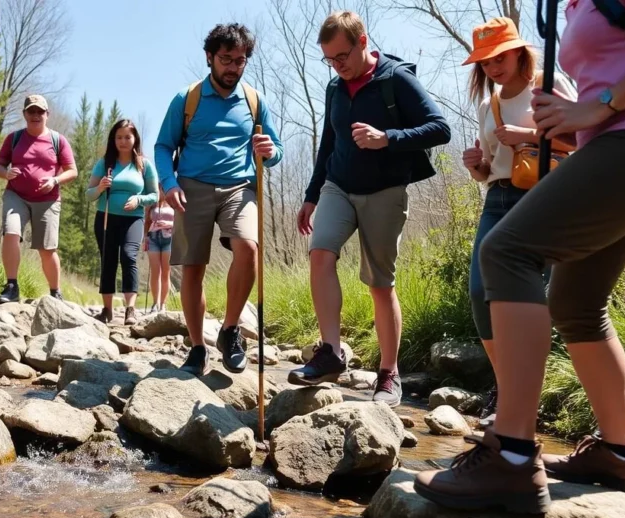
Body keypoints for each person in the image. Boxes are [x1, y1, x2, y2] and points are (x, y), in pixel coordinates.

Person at [414, 0, 625, 515]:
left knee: (508, 251)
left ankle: (510, 453)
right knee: (577, 302)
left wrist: (602, 103)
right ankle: (620, 453)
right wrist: (576, 126)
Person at [288, 10, 451, 406]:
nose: (337, 66)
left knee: (380, 284)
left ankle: (388, 374)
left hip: (384, 191)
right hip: (338, 187)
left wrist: (387, 138)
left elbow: (440, 128)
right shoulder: (334, 89)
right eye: (330, 59)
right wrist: (311, 195)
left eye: (342, 56)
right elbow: (328, 145)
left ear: (363, 42)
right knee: (320, 252)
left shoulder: (396, 79)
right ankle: (330, 353)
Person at [460, 18, 577, 428]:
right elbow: (492, 166)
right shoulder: (487, 105)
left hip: (544, 196)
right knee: (479, 291)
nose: (493, 66)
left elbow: (583, 139)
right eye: (485, 61)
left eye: (499, 56)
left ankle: (526, 394)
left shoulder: (549, 85)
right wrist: (477, 166)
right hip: (498, 197)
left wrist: (527, 135)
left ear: (519, 51)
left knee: (532, 299)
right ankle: (508, 384)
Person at [154, 23, 284, 377]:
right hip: (190, 188)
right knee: (193, 267)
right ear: (210, 57)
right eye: (226, 60)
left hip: (238, 188)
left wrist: (271, 151)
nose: (233, 68)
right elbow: (163, 146)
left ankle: (229, 331)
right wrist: (168, 183)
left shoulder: (255, 101)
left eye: (240, 61)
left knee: (249, 248)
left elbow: (275, 151)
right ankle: (197, 347)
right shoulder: (188, 99)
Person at [0, 94, 77, 304]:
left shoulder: (58, 140)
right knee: (11, 233)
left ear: (47, 115)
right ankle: (11, 286)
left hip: (48, 199)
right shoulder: (14, 138)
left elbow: (72, 171)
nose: (36, 115)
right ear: (24, 114)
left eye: (40, 111)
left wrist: (55, 180)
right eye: (31, 111)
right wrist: (5, 173)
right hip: (16, 196)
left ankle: (55, 292)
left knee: (47, 249)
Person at [85, 119, 159, 325]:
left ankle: (130, 310)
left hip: (133, 220)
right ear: (113, 139)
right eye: (119, 137)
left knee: (128, 257)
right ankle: (107, 310)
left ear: (135, 139)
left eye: (127, 137)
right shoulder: (105, 163)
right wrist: (100, 188)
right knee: (108, 259)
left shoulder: (144, 165)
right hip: (106, 217)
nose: (123, 141)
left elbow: (154, 195)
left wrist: (139, 199)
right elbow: (89, 195)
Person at [143, 186, 174, 314]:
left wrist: (168, 224)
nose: (160, 191)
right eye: (158, 188)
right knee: (155, 272)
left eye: (162, 189)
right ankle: (155, 303)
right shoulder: (152, 204)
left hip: (169, 238)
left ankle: (163, 305)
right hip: (154, 238)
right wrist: (145, 239)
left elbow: (181, 221)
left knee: (166, 272)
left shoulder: (173, 202)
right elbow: (147, 221)